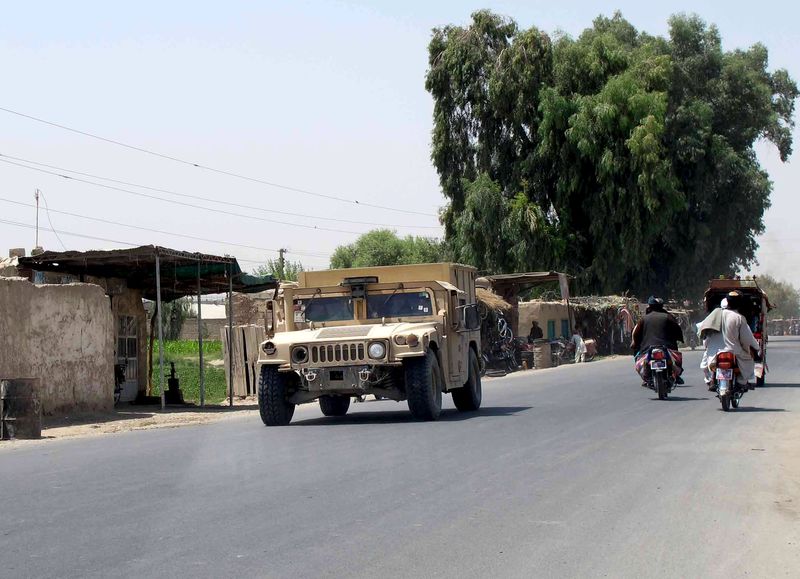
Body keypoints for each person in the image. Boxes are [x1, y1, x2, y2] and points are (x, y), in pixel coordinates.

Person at [698, 292, 761, 391]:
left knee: (705, 364)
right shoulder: (739, 318)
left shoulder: (714, 315)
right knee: (748, 362)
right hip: (733, 351)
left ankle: (712, 380)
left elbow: (705, 334)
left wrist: (707, 347)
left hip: (714, 352)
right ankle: (741, 383)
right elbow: (746, 339)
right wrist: (756, 348)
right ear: (739, 303)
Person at [631, 296, 685, 385]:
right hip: (667, 347)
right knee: (676, 355)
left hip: (647, 348)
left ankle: (646, 378)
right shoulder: (668, 317)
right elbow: (677, 330)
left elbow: (636, 334)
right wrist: (679, 339)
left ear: (649, 306)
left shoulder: (644, 319)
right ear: (661, 306)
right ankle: (677, 376)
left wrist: (635, 344)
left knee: (637, 355)